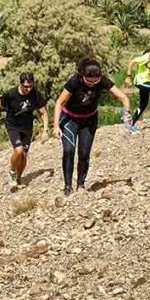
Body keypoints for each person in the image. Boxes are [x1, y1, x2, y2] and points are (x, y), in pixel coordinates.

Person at [52, 58, 133, 196]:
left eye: (95, 81)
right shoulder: (74, 81)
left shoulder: (102, 80)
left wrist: (127, 113)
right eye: (88, 81)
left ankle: (81, 185)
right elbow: (59, 102)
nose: (92, 84)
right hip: (69, 119)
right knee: (69, 150)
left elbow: (123, 98)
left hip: (89, 120)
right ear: (81, 75)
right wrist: (55, 126)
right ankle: (67, 186)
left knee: (84, 153)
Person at [0, 72, 48, 189]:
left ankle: (18, 178)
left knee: (24, 155)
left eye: (30, 86)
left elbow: (43, 112)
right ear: (20, 84)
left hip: (27, 127)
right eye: (26, 87)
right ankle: (12, 172)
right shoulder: (11, 94)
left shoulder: (35, 94)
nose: (28, 89)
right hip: (13, 126)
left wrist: (45, 130)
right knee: (18, 150)